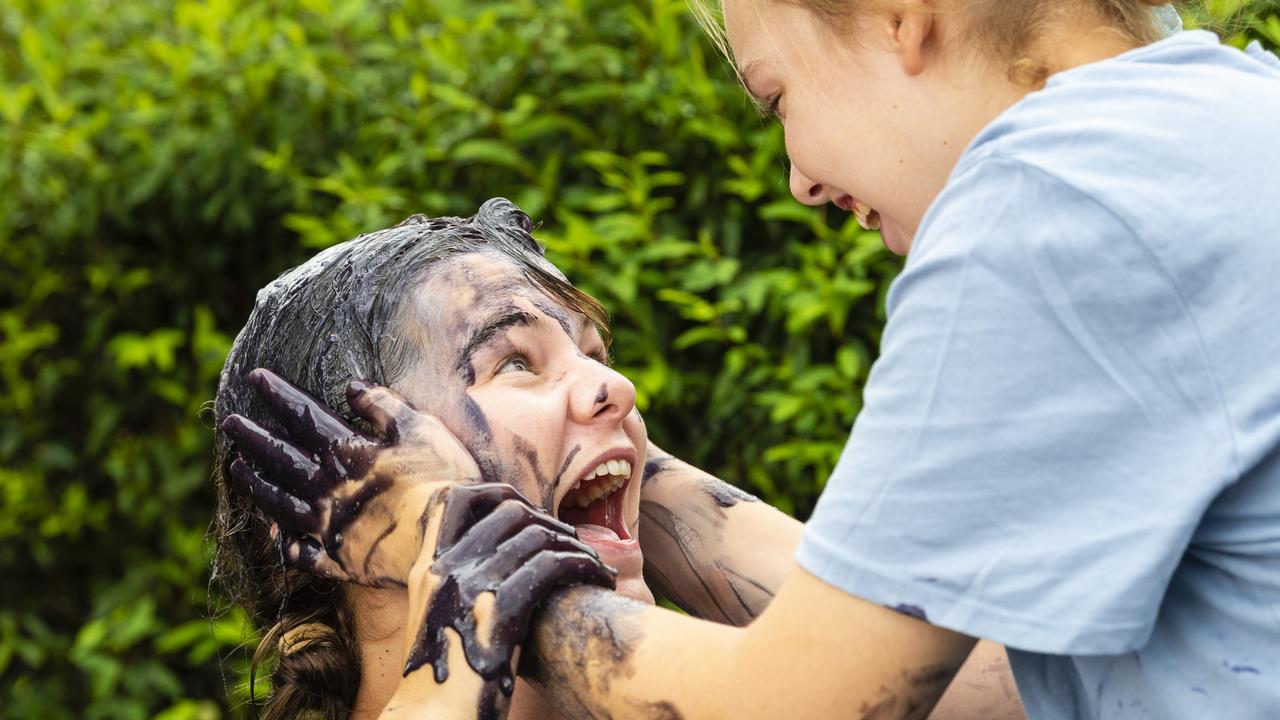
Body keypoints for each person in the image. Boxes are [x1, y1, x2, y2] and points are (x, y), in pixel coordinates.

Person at [231, 0, 1280, 717]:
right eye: (515, 364)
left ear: (901, 13)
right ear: (335, 518)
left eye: (775, 96)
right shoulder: (1218, 128)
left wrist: (485, 576)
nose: (798, 177)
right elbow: (1016, 686)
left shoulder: (1056, 196)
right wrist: (637, 477)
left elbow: (812, 702)